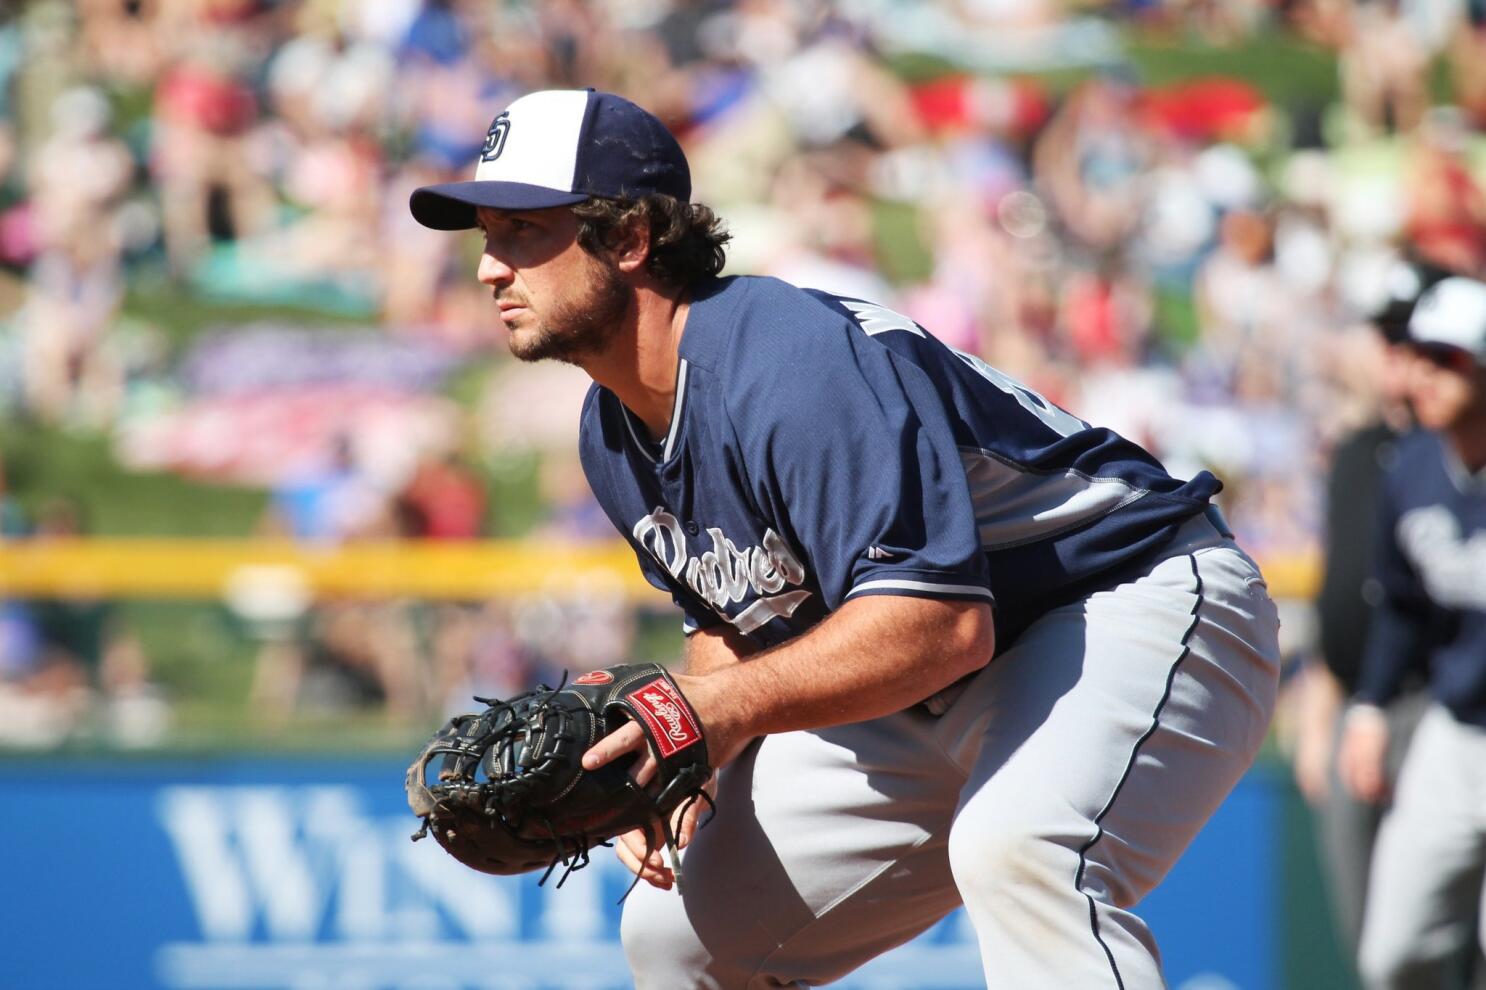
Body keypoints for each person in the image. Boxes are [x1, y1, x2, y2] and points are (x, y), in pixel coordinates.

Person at [410, 88, 1280, 988]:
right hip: (919, 680)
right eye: (487, 234)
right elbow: (737, 617)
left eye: (521, 232)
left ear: (629, 239)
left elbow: (941, 626)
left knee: (1025, 850)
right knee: (677, 935)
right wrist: (675, 752)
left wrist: (717, 712)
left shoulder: (787, 362)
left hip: (1121, 600)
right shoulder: (613, 425)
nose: (489, 269)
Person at [1338, 275, 1486, 990]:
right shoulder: (1415, 468)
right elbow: (1400, 605)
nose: (1422, 373)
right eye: (1417, 354)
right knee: (1392, 955)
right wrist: (1369, 704)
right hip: (1455, 733)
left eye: (1446, 357)